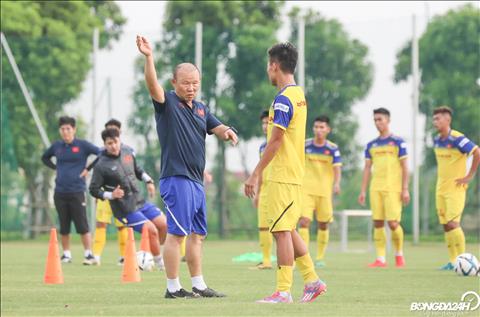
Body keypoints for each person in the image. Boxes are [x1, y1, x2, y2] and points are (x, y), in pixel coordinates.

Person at [137, 35, 238, 298]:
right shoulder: (167, 103)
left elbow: (218, 127)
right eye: (185, 83)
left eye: (195, 83)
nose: (191, 88)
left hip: (196, 182)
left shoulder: (201, 109)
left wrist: (228, 131)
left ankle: (199, 285)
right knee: (177, 235)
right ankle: (172, 288)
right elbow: (152, 86)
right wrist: (149, 57)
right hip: (176, 179)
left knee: (197, 235)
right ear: (175, 83)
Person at [244, 42, 326, 304]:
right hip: (293, 175)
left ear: (274, 66)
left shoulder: (282, 100)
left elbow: (276, 141)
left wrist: (255, 174)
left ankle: (283, 292)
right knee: (288, 230)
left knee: (280, 232)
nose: (268, 71)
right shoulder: (298, 94)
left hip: (282, 175)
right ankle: (312, 280)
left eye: (268, 66)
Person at [89, 128, 167, 271]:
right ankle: (161, 264)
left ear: (120, 139)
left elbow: (138, 170)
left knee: (164, 225)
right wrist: (111, 195)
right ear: (105, 144)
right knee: (152, 230)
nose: (113, 146)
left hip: (140, 200)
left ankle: (150, 255)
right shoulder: (101, 165)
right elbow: (93, 189)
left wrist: (149, 181)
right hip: (125, 208)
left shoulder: (127, 152)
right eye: (109, 143)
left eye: (115, 142)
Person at [41, 116, 100, 265]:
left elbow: (100, 153)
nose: (65, 132)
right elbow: (45, 158)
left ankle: (88, 254)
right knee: (64, 224)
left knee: (82, 224)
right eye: (62, 129)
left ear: (74, 129)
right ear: (60, 131)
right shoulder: (57, 146)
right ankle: (66, 254)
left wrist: (88, 169)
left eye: (68, 128)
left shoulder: (82, 145)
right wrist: (56, 168)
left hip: (77, 191)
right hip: (60, 191)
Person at [358, 108, 409, 268]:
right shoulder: (371, 145)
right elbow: (367, 168)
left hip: (393, 188)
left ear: (388, 120)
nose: (377, 122)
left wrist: (405, 188)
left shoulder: (398, 142)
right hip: (376, 188)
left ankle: (399, 255)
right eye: (375, 120)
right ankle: (380, 259)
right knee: (378, 223)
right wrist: (363, 191)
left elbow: (405, 166)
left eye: (380, 119)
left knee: (393, 223)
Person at [431, 106, 479, 270]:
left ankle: (464, 261)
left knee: (453, 223)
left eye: (438, 118)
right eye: (434, 119)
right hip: (440, 189)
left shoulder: (457, 138)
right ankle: (453, 262)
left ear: (447, 120)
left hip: (456, 188)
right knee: (445, 224)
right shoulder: (437, 140)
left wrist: (469, 175)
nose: (435, 122)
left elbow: (476, 151)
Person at [84, 119, 131, 266]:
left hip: (122, 196)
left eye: (114, 130)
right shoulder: (102, 153)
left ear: (119, 133)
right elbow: (95, 164)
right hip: (105, 194)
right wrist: (86, 170)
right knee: (101, 224)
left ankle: (124, 256)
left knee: (122, 226)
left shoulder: (128, 151)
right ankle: (95, 256)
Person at [298, 115, 342, 268]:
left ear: (328, 130)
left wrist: (336, 183)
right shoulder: (305, 145)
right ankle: (305, 257)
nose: (318, 130)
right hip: (306, 190)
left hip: (324, 191)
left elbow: (337, 168)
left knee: (323, 224)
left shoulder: (332, 149)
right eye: (316, 127)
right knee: (304, 221)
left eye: (322, 127)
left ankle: (320, 257)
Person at [251, 110, 274, 270]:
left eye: (269, 123)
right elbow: (260, 171)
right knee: (263, 226)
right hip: (265, 190)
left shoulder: (282, 141)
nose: (266, 126)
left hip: (280, 188)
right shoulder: (262, 147)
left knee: (284, 227)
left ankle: (293, 261)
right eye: (263, 123)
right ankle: (266, 261)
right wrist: (257, 193)